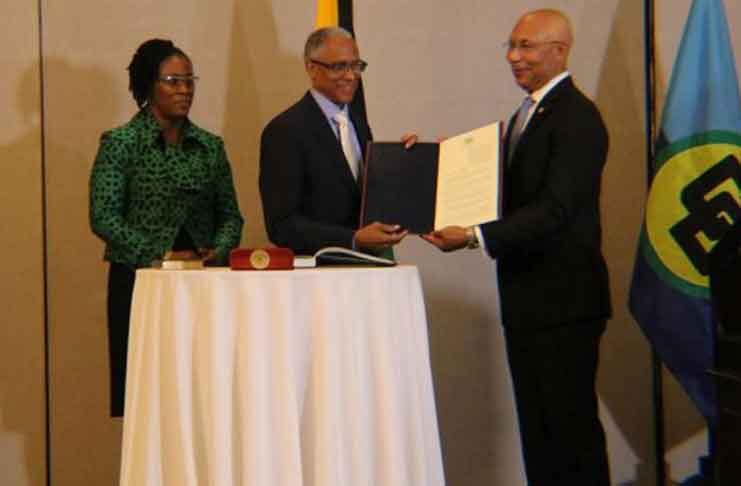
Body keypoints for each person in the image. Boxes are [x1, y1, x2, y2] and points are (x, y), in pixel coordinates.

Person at [422, 9, 611, 485]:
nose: (513, 57)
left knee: (569, 436)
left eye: (526, 46)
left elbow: (555, 209)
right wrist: (438, 165)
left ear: (559, 50)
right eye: (511, 45)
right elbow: (505, 189)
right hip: (529, 301)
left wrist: (473, 236)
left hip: (564, 304)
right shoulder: (529, 113)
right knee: (540, 433)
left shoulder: (577, 118)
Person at [89, 39, 244, 417]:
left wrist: (218, 248)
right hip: (141, 285)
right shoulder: (121, 143)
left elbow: (231, 216)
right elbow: (103, 215)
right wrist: (158, 256)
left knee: (203, 397)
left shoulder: (209, 146)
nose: (185, 90)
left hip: (204, 286)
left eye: (190, 81)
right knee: (145, 400)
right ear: (148, 85)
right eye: (173, 81)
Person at [259, 27, 412, 255]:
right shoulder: (284, 131)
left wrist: (404, 160)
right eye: (339, 67)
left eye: (356, 66)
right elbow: (282, 225)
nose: (350, 76)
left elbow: (365, 200)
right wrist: (352, 239)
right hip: (318, 276)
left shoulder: (359, 125)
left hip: (366, 268)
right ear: (311, 68)